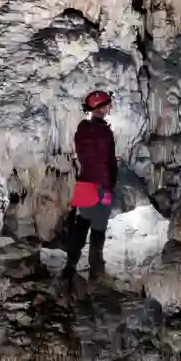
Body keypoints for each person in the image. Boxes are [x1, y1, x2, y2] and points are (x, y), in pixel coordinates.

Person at [60, 89, 118, 285]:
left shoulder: (82, 129)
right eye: (108, 103)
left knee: (82, 224)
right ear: (100, 107)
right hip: (101, 186)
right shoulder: (104, 133)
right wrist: (108, 189)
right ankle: (95, 269)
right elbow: (106, 163)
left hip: (85, 183)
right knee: (98, 229)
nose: (110, 106)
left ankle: (70, 266)